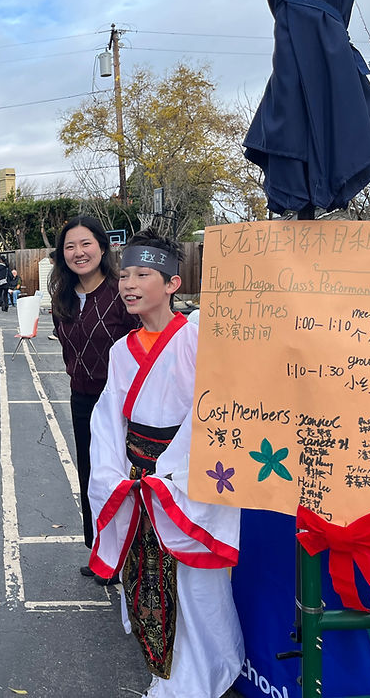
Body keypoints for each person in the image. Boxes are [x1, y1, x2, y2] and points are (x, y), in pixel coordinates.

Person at [88, 228, 243, 698]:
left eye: (143, 274)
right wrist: (116, 476)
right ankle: (166, 669)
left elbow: (214, 412)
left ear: (173, 283)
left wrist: (169, 475)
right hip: (137, 484)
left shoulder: (199, 338)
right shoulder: (120, 351)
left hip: (184, 482)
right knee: (144, 579)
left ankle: (200, 675)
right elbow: (108, 421)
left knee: (196, 586)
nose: (129, 284)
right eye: (125, 275)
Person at [48, 215, 138, 583]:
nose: (78, 252)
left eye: (86, 244)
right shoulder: (62, 298)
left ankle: (133, 555)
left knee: (124, 475)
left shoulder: (122, 291)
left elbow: (141, 345)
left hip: (122, 403)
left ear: (103, 246)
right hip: (82, 400)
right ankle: (102, 549)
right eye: (70, 246)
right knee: (92, 476)